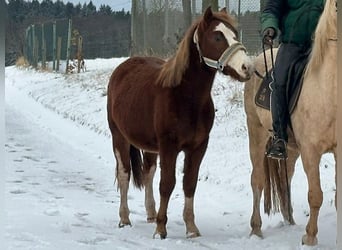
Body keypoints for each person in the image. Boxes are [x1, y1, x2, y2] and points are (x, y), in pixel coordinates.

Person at [261, 0, 324, 159]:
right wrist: (270, 26)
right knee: (279, 82)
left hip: (323, 44)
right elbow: (272, 8)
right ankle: (280, 137)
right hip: (292, 44)